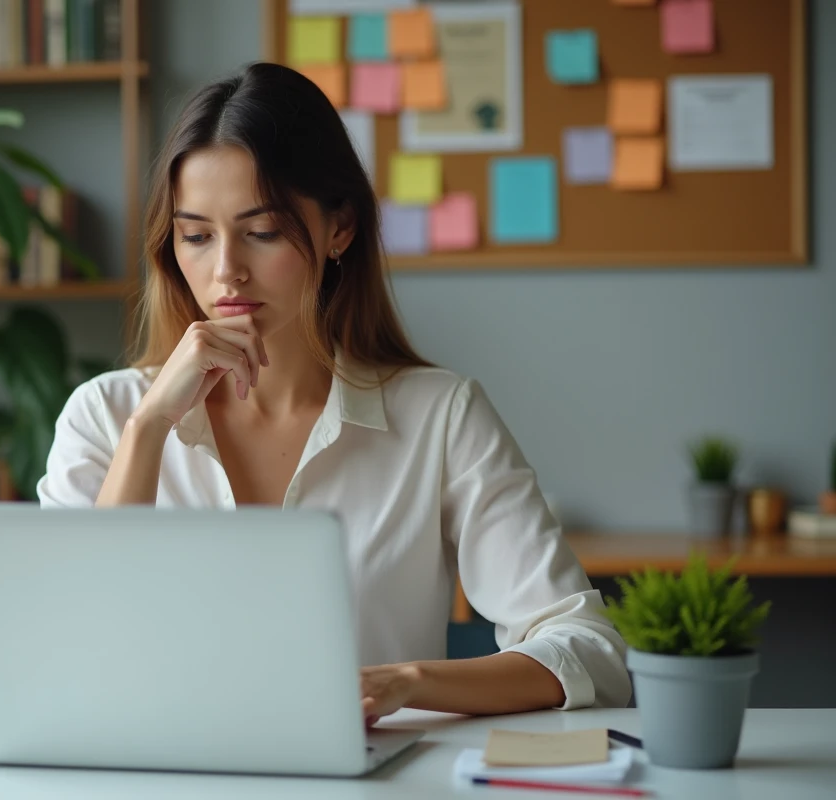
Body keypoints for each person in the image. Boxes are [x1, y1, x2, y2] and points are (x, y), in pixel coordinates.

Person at [36, 62, 632, 722]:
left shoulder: (440, 416)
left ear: (339, 228)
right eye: (197, 235)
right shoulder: (106, 414)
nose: (226, 269)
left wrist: (406, 682)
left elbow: (588, 651)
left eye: (262, 232)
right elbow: (63, 651)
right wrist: (149, 427)